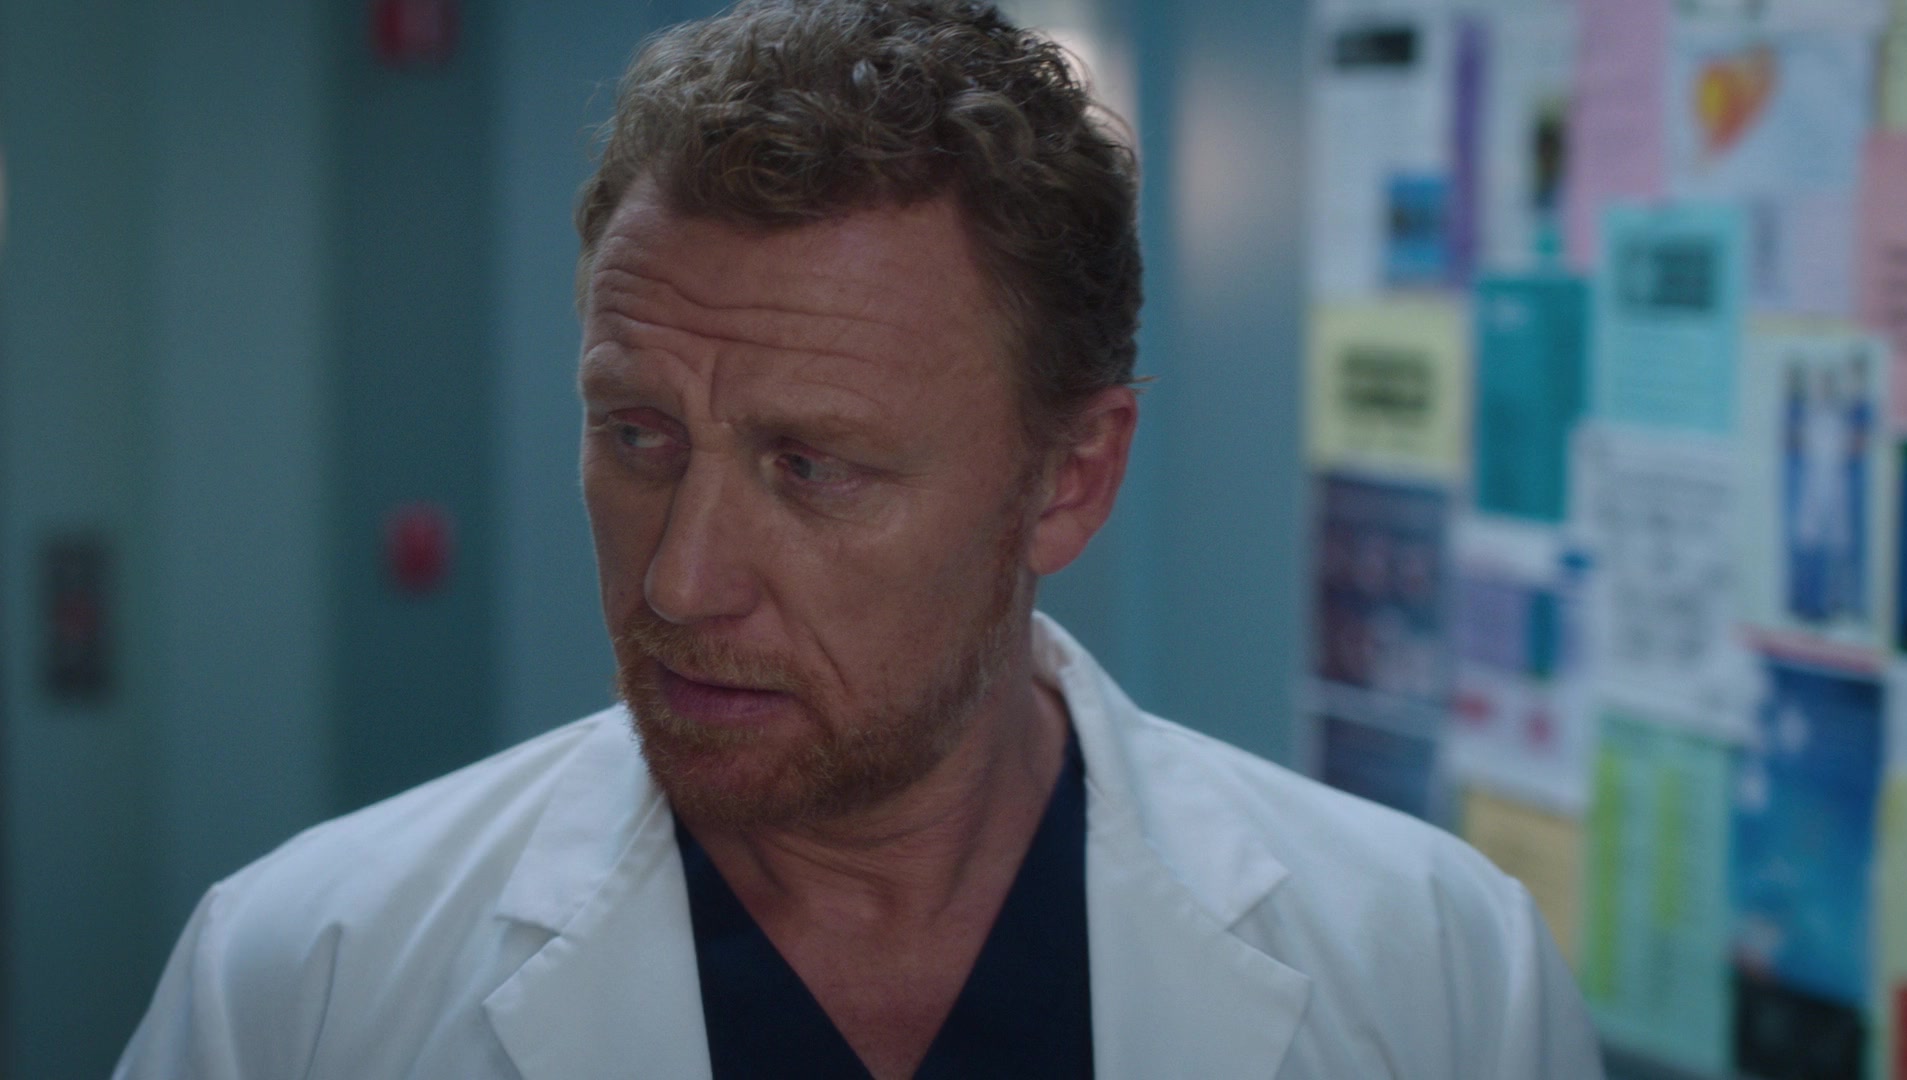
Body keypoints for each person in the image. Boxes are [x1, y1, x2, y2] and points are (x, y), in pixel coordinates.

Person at [116, 1, 1603, 1077]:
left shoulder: (1436, 973)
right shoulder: (305, 983)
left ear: (1069, 480)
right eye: (637, 437)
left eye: (812, 468)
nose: (679, 582)